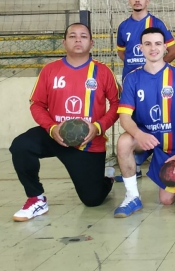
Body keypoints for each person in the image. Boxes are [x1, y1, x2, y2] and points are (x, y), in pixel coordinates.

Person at [10, 23, 120, 221]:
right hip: (55, 135)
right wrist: (52, 129)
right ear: (64, 42)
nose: (78, 39)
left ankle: (106, 178)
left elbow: (116, 105)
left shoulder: (103, 72)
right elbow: (37, 104)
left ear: (91, 43)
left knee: (92, 200)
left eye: (83, 36)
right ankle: (36, 199)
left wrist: (97, 127)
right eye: (72, 36)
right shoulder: (50, 70)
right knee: (21, 145)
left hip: (88, 144)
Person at [113, 27, 175, 217]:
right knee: (124, 141)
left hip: (170, 144)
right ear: (140, 48)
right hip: (144, 139)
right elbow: (124, 117)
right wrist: (139, 134)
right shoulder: (132, 78)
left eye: (158, 44)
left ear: (165, 47)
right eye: (148, 44)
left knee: (166, 201)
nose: (153, 48)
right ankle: (132, 196)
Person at [115, 0, 175, 181]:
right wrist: (137, 74)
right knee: (132, 122)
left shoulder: (157, 23)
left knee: (156, 120)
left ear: (147, 1)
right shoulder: (123, 26)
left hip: (156, 85)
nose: (137, 0)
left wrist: (155, 67)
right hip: (132, 84)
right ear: (129, 1)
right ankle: (135, 166)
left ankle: (161, 155)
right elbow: (121, 52)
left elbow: (174, 51)